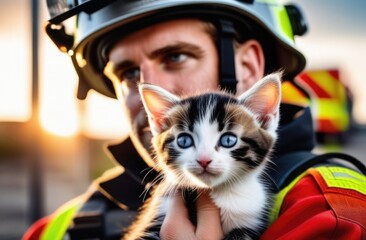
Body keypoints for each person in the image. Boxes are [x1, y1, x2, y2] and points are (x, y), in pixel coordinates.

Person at [23, 0, 366, 239]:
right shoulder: (57, 229)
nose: (151, 90)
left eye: (175, 57)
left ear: (247, 68)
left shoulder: (333, 210)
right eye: (128, 73)